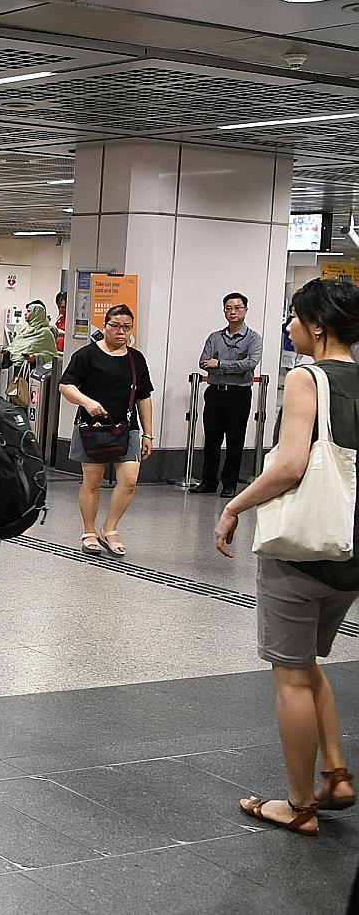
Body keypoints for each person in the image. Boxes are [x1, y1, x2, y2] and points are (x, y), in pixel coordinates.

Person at [214, 278, 359, 837]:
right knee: (307, 663)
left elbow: (290, 464)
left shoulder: (307, 378)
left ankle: (299, 805)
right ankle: (337, 772)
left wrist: (235, 505)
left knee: (292, 677)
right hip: (349, 550)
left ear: (319, 326)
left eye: (295, 318)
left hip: (302, 550)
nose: (289, 327)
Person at [59, 304, 154, 557]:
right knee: (92, 482)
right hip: (93, 428)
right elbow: (66, 386)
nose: (121, 331)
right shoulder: (87, 355)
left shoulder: (136, 359)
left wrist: (148, 433)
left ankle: (109, 528)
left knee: (130, 481)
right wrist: (87, 402)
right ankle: (89, 531)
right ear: (104, 327)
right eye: (115, 326)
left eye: (126, 327)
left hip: (127, 427)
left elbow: (144, 397)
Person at [196, 291, 263, 498]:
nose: (232, 311)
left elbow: (250, 364)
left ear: (245, 310)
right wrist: (231, 366)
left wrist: (220, 364)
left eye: (237, 308)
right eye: (228, 308)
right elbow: (203, 362)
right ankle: (208, 481)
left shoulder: (253, 338)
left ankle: (230, 484)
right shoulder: (215, 337)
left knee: (235, 440)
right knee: (212, 440)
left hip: (239, 394)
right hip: (215, 393)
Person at [5, 300, 59, 407]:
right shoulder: (25, 330)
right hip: (17, 371)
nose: (26, 314)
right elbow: (15, 347)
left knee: (26, 402)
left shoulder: (46, 333)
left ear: (37, 314)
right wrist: (7, 352)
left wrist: (36, 358)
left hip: (31, 374)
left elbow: (52, 356)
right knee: (15, 398)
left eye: (29, 311)